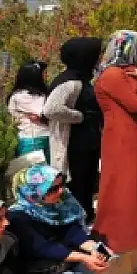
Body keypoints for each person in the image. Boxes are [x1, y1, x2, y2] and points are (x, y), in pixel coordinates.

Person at [93, 30, 137, 254]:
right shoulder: (112, 75)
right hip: (123, 136)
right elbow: (135, 104)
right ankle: (123, 234)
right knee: (126, 182)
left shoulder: (128, 72)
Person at [7, 164, 110, 274]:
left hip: (61, 257)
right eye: (53, 189)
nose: (61, 191)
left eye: (61, 185)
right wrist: (83, 257)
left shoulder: (60, 201)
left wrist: (94, 248)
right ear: (34, 193)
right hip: (37, 267)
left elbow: (71, 231)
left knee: (86, 269)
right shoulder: (18, 217)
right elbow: (43, 248)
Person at [44, 37, 103, 223]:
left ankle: (85, 217)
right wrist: (79, 117)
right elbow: (51, 109)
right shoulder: (70, 82)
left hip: (86, 143)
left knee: (87, 183)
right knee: (77, 184)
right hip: (75, 145)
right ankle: (76, 223)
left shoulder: (81, 78)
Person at [7, 61, 51, 160]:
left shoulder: (18, 96)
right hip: (47, 137)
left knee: (29, 172)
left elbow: (13, 115)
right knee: (48, 172)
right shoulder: (44, 95)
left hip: (30, 138)